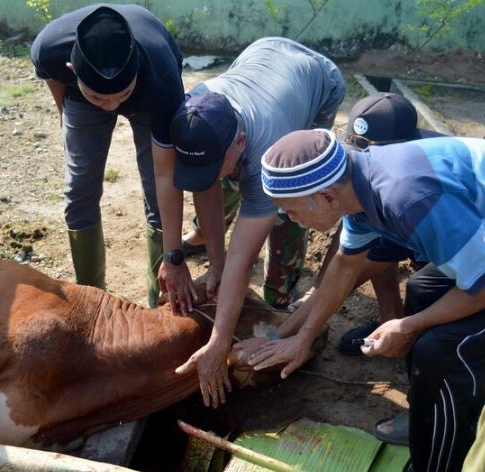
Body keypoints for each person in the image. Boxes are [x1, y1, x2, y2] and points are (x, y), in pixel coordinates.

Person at [250, 129, 485, 472]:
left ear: (327, 197)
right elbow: (345, 265)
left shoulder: (406, 198)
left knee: (442, 352)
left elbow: (482, 287)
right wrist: (302, 337)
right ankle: (428, 415)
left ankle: (441, 459)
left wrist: (409, 325)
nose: (291, 220)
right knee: (421, 289)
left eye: (291, 211)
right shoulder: (358, 189)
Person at [168, 37, 346, 408]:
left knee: (291, 208)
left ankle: (280, 296)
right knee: (223, 180)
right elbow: (207, 187)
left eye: (217, 163)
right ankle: (216, 221)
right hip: (263, 55)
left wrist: (219, 344)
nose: (207, 176)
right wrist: (215, 264)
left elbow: (242, 259)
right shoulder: (194, 114)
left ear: (240, 142)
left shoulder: (268, 144)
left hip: (318, 83)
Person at [30, 4, 184, 306]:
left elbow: (166, 174)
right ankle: (91, 299)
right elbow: (52, 76)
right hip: (81, 95)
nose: (111, 105)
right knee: (79, 190)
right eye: (100, 96)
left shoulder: (164, 80)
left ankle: (161, 300)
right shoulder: (49, 48)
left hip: (149, 95)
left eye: (120, 96)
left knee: (156, 189)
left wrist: (174, 257)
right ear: (71, 70)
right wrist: (64, 110)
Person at [284, 92, 444, 358]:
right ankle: (388, 316)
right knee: (375, 240)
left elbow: (350, 272)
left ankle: (421, 336)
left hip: (461, 236)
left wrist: (411, 326)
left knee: (426, 288)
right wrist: (287, 330)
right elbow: (348, 257)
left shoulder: (417, 188)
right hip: (404, 217)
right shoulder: (361, 179)